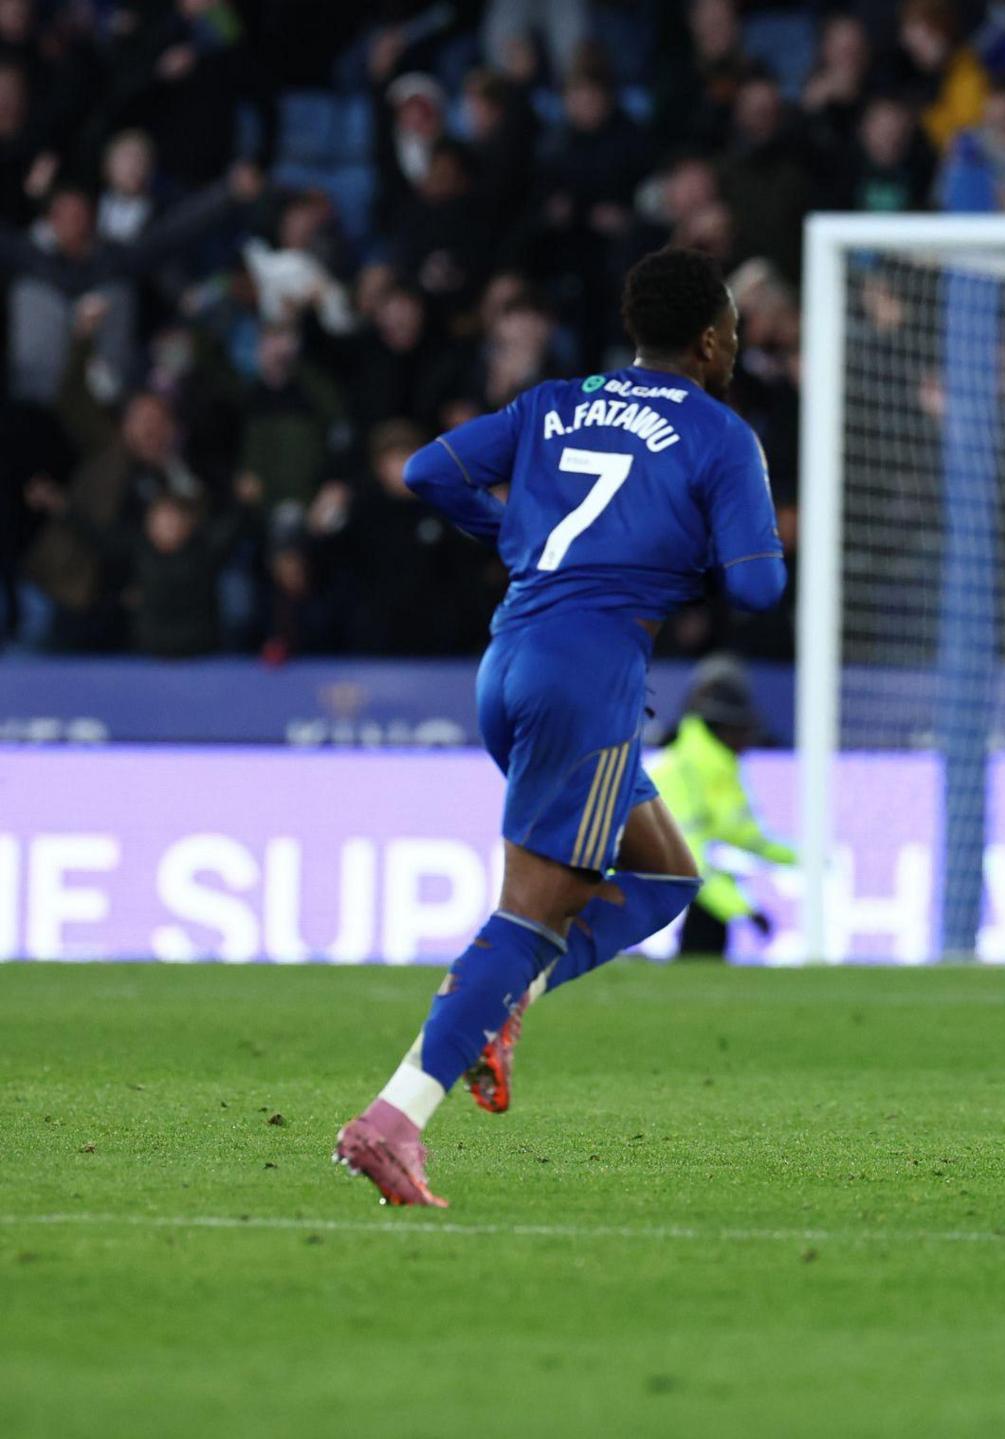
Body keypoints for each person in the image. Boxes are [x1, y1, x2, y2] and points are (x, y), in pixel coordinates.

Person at [331, 248, 787, 1207]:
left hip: (512, 663)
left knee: (665, 875)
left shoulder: (554, 403)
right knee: (528, 916)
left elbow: (426, 471)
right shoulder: (719, 436)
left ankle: (504, 1009)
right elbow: (757, 585)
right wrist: (694, 540)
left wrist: (515, 538)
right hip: (588, 679)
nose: (737, 347)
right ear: (709, 340)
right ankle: (392, 1118)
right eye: (735, 332)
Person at [648, 654, 797, 959]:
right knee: (704, 901)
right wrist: (744, 910)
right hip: (614, 882)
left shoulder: (717, 769)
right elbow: (693, 864)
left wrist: (808, 858)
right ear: (723, 729)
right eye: (742, 730)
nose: (748, 740)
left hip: (654, 881)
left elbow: (748, 837)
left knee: (709, 899)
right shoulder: (678, 772)